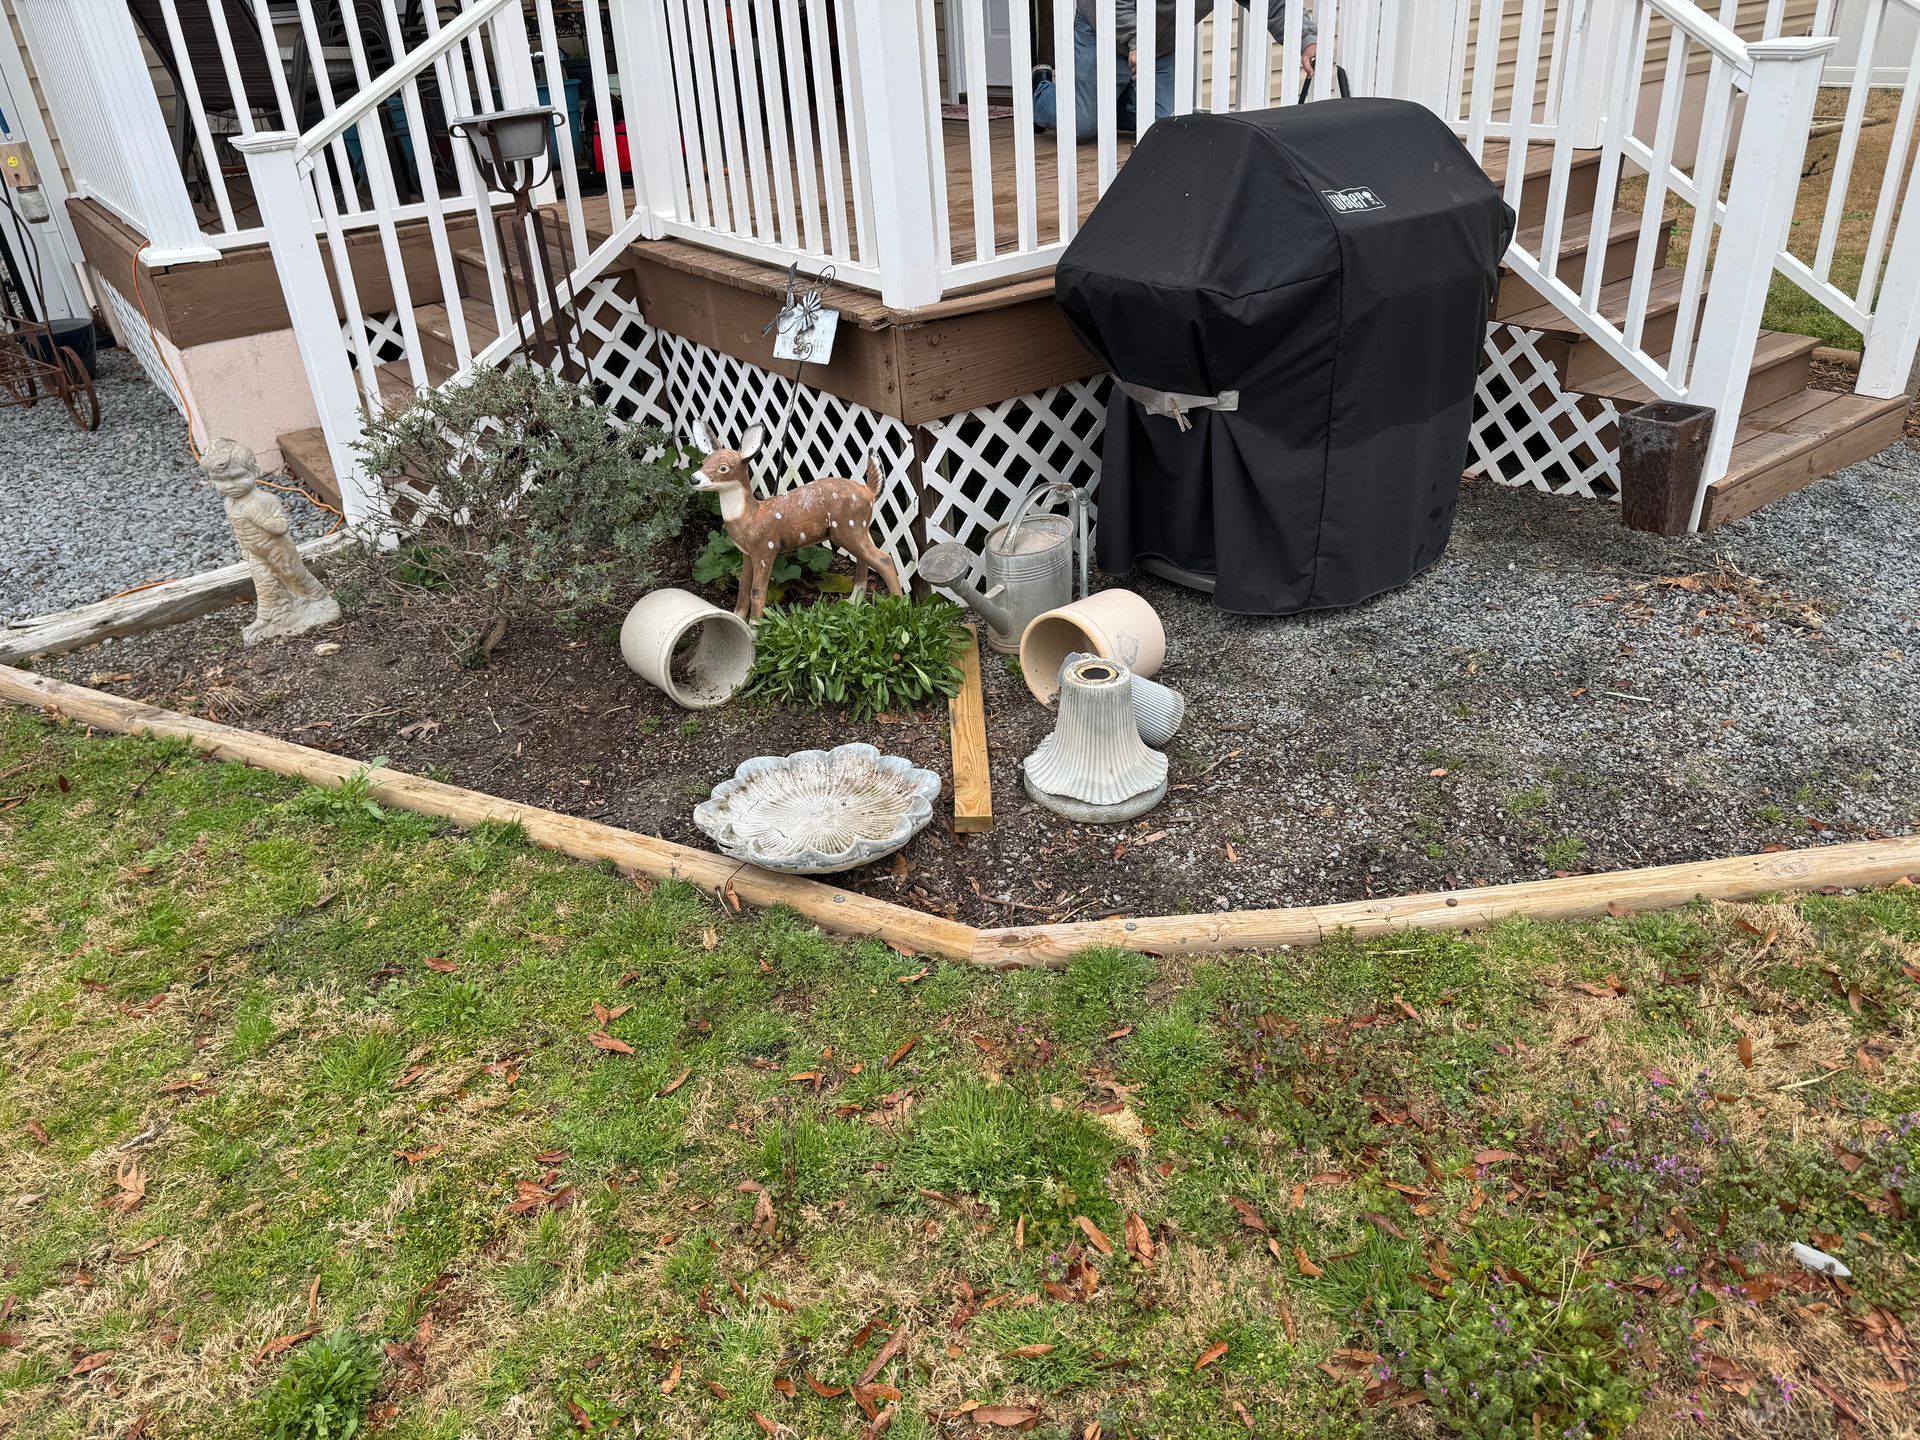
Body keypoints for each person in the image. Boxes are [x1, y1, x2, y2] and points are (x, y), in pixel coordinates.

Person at [1035, 0, 1317, 139]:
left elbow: (1275, 3)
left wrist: (1305, 40)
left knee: (1160, 124)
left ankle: (1109, 100)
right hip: (1104, 30)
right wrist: (1135, 41)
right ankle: (1039, 88)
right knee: (1082, 125)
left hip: (1161, 45)